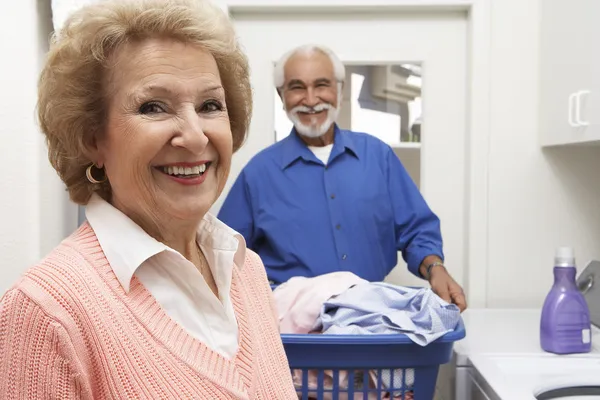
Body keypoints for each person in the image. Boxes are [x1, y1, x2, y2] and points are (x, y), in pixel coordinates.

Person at [0, 0, 297, 398]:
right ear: (92, 139)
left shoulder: (249, 273)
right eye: (153, 107)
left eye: (210, 105)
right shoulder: (47, 312)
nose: (194, 136)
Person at [218, 44, 467, 312]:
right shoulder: (258, 173)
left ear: (339, 90)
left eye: (321, 85)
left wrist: (435, 268)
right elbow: (223, 253)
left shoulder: (378, 157)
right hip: (290, 327)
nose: (311, 99)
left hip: (372, 317)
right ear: (282, 96)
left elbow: (416, 228)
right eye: (297, 87)